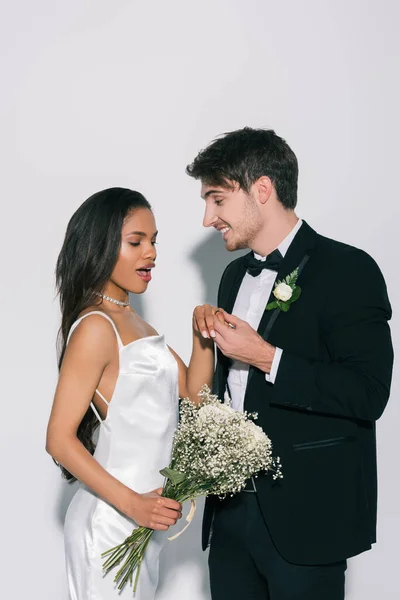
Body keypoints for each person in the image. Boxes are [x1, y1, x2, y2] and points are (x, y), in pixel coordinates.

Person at [186, 127, 394, 600]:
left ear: (262, 190)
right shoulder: (233, 277)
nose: (207, 218)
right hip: (230, 517)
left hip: (309, 520)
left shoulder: (349, 270)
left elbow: (367, 393)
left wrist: (267, 357)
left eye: (217, 199)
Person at [46, 187, 218, 600]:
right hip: (110, 522)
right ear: (101, 247)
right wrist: (132, 505)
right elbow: (58, 440)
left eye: (154, 241)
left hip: (144, 523)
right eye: (136, 242)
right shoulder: (95, 327)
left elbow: (196, 398)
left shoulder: (138, 325)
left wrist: (204, 336)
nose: (151, 253)